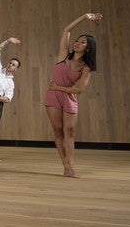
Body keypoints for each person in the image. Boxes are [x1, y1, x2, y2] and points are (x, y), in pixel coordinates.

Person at [44, 12, 102, 178]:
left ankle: (71, 165)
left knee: (69, 131)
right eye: (77, 40)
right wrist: (85, 17)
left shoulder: (86, 67)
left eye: (82, 42)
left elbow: (79, 90)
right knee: (58, 131)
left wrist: (58, 87)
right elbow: (66, 30)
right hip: (53, 97)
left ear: (88, 47)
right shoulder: (63, 55)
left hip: (68, 96)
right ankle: (66, 166)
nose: (77, 43)